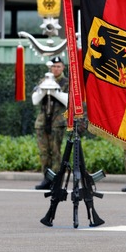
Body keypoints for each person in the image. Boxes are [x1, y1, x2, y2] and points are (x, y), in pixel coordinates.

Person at [34, 56, 69, 190]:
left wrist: (54, 91)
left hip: (57, 122)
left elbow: (68, 100)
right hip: (43, 122)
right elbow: (35, 99)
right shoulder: (43, 81)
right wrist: (45, 88)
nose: (56, 69)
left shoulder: (66, 82)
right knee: (44, 152)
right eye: (54, 66)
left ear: (63, 67)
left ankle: (56, 180)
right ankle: (46, 178)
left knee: (55, 152)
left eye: (58, 66)